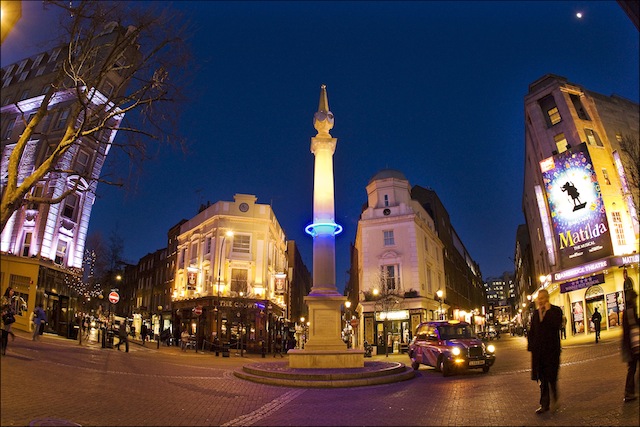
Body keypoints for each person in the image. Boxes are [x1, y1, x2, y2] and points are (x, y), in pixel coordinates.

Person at [527, 289, 563, 415]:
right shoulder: (536, 314)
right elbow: (532, 332)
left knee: (552, 378)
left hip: (552, 352)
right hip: (540, 354)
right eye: (539, 298)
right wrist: (531, 347)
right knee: (542, 380)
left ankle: (555, 399)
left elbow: (557, 325)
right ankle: (544, 404)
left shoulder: (555, 311)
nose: (540, 301)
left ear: (547, 298)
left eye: (542, 298)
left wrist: (547, 312)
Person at [622, 286, 639, 403]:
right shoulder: (630, 310)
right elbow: (633, 326)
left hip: (632, 344)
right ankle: (629, 391)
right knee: (632, 368)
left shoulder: (628, 310)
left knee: (632, 368)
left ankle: (630, 391)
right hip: (634, 345)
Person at [1, 287, 17, 356]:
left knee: (5, 334)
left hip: (8, 319)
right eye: (11, 291)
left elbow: (14, 310)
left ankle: (3, 349)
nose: (12, 292)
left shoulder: (12, 300)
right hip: (2, 318)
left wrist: (11, 311)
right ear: (8, 291)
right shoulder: (3, 298)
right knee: (2, 334)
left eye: (13, 291)